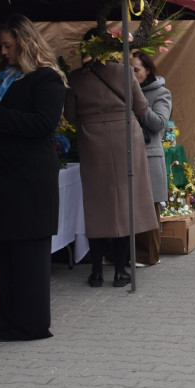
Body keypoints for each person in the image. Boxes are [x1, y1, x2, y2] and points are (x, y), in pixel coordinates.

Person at [0, 14, 66, 341]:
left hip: (30, 179)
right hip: (6, 176)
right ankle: (8, 321)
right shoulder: (8, 78)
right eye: (0, 45)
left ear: (25, 42)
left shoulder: (47, 79)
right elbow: (8, 123)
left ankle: (32, 325)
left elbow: (42, 124)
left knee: (29, 255)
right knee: (5, 253)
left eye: (8, 45)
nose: (3, 51)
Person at [66, 41, 158, 288]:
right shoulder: (125, 71)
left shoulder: (76, 77)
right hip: (126, 138)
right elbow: (140, 107)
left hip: (93, 142)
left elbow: (70, 115)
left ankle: (96, 271)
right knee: (125, 204)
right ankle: (120, 270)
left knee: (97, 205)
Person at [133, 51, 172, 266]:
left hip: (149, 156)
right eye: (128, 70)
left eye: (136, 70)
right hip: (129, 155)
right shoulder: (126, 91)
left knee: (149, 207)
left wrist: (139, 102)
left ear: (148, 70)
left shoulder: (161, 93)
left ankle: (149, 255)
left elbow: (158, 123)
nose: (132, 74)